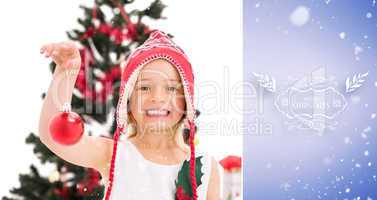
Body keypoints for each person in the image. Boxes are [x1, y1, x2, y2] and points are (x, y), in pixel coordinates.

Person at [39, 30, 220, 200]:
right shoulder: (113, 155)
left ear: (187, 100)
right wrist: (66, 72)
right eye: (144, 88)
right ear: (129, 102)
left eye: (171, 88)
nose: (157, 98)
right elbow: (53, 137)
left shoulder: (205, 166)